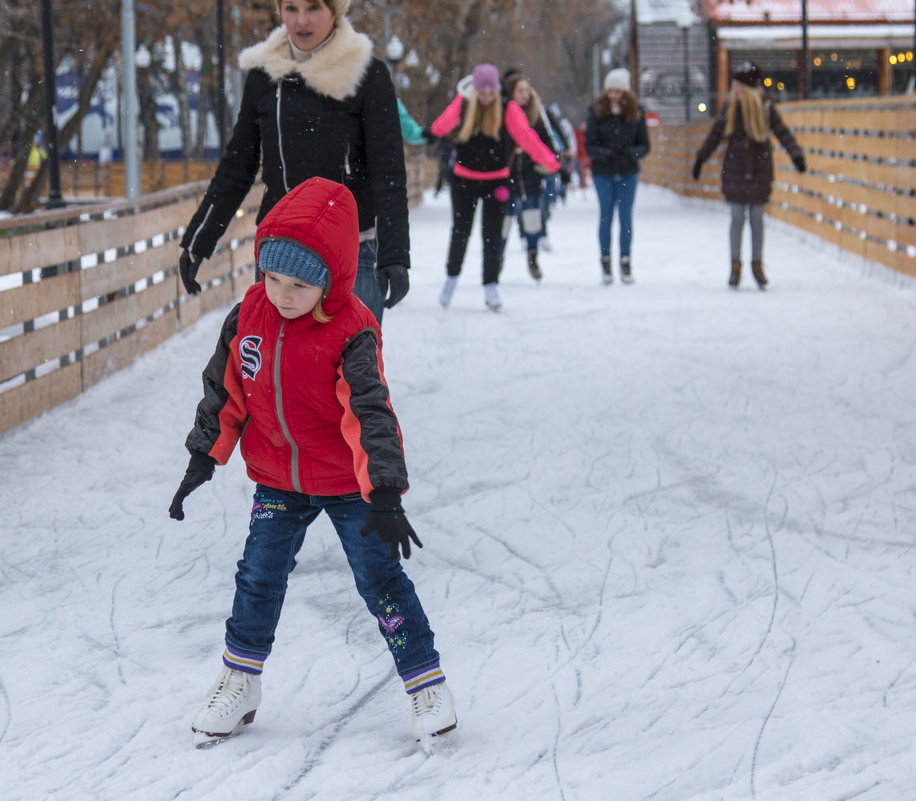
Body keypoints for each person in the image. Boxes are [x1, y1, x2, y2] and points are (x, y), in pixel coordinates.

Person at [170, 176, 457, 747]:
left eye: (300, 284)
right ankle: (240, 679)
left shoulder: (351, 330)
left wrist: (385, 492)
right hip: (278, 479)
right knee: (257, 577)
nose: (281, 293)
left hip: (348, 485)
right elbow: (223, 391)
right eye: (271, 277)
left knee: (380, 579)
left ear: (332, 279)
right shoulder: (249, 315)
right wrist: (203, 456)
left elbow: (371, 413)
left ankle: (425, 681)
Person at [177, 0, 409, 323]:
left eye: (313, 7)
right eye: (291, 8)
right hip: (280, 256)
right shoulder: (264, 76)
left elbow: (389, 172)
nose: (301, 21)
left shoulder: (367, 74)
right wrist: (198, 240)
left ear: (335, 10)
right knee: (279, 370)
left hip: (349, 256)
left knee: (350, 371)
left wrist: (395, 254)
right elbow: (237, 166)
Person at [430, 64, 559, 310]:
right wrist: (459, 101)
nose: (486, 98)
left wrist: (552, 164)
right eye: (482, 92)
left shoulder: (508, 108)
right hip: (464, 180)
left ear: (497, 90)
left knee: (492, 235)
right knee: (460, 231)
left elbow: (528, 139)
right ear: (475, 90)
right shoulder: (465, 104)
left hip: (496, 182)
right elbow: (439, 128)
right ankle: (451, 278)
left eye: (491, 93)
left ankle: (490, 285)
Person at [692, 61, 806, 289]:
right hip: (734, 166)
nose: (734, 89)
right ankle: (735, 266)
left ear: (746, 87)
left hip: (759, 166)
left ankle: (757, 264)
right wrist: (700, 159)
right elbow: (715, 135)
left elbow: (781, 131)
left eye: (737, 85)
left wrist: (796, 155)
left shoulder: (764, 106)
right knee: (736, 217)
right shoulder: (730, 108)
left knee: (756, 217)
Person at [585, 68, 650, 285]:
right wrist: (605, 153)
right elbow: (590, 145)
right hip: (603, 172)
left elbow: (645, 145)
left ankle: (625, 260)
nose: (614, 95)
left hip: (627, 172)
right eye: (611, 91)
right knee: (605, 217)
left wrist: (631, 153)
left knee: (625, 218)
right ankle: (605, 261)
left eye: (618, 91)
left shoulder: (636, 113)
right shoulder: (596, 112)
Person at [502, 74, 563, 281]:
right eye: (520, 90)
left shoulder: (536, 116)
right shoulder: (502, 116)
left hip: (531, 179)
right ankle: (496, 260)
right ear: (511, 92)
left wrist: (545, 163)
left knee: (533, 222)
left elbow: (549, 145)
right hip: (506, 180)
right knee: (503, 223)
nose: (524, 95)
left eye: (527, 90)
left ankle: (532, 258)